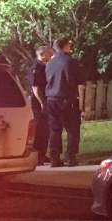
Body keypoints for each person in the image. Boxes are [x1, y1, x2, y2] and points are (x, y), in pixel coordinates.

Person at [44, 38, 86, 167]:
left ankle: (54, 158)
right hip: (67, 98)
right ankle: (70, 156)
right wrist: (81, 102)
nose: (70, 47)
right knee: (72, 129)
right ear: (64, 46)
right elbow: (79, 82)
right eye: (69, 45)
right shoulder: (71, 62)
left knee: (55, 130)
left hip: (51, 99)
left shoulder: (49, 63)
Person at [30, 45, 54, 164]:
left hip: (45, 101)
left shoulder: (44, 66)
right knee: (40, 130)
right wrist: (42, 102)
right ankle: (38, 156)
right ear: (43, 54)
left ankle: (42, 154)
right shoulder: (37, 67)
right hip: (38, 104)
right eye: (50, 53)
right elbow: (35, 87)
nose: (52, 56)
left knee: (45, 130)